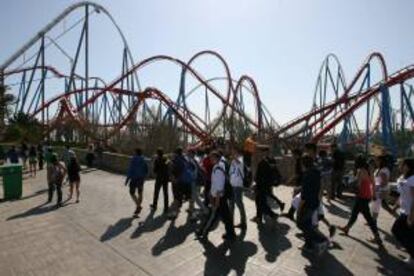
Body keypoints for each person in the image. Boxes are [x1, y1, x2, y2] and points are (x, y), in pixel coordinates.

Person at [338, 155, 383, 247]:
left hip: (361, 195)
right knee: (354, 212)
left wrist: (349, 183)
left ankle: (377, 236)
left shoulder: (360, 171)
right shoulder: (370, 170)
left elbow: (357, 185)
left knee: (368, 218)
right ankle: (347, 228)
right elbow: (373, 183)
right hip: (367, 195)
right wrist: (373, 194)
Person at [196, 151, 236, 242]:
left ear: (217, 158)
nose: (210, 159)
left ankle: (203, 231)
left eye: (212, 158)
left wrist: (216, 200)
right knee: (225, 216)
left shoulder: (217, 168)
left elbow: (218, 186)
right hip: (221, 197)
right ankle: (231, 233)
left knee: (213, 215)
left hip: (219, 198)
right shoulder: (221, 165)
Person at [296, 154, 329, 255]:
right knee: (308, 224)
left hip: (307, 204)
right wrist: (319, 199)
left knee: (301, 224)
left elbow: (304, 196)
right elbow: (320, 187)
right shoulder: (317, 172)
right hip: (315, 202)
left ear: (303, 164)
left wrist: (299, 209)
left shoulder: (307, 175)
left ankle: (322, 239)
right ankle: (308, 245)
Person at [391, 158, 414, 268]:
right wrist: (395, 206)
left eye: (402, 164)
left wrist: (411, 216)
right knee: (407, 234)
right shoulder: (403, 178)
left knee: (396, 230)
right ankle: (411, 256)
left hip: (410, 213)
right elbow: (402, 195)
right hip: (405, 211)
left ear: (407, 167)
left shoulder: (412, 180)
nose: (399, 165)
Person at [251, 146, 281, 224]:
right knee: (259, 201)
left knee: (261, 202)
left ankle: (272, 215)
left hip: (262, 186)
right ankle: (259, 217)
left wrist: (256, 184)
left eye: (260, 152)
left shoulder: (263, 162)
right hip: (265, 185)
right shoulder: (268, 161)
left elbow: (260, 177)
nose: (259, 153)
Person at [167, 147, 192, 220]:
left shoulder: (175, 160)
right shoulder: (185, 159)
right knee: (188, 197)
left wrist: (174, 178)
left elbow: (174, 170)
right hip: (186, 181)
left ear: (176, 153)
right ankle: (192, 212)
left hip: (178, 182)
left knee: (176, 197)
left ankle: (175, 213)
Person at [125, 148, 148, 217]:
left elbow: (130, 169)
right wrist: (144, 177)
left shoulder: (133, 159)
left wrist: (127, 179)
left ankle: (138, 206)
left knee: (132, 193)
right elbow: (146, 169)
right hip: (141, 179)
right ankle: (138, 208)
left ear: (136, 152)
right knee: (140, 193)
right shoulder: (144, 160)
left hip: (134, 178)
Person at [229, 148, 247, 229]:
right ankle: (230, 223)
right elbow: (230, 173)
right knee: (231, 205)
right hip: (232, 185)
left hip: (238, 186)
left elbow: (239, 163)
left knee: (239, 204)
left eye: (234, 153)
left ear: (238, 153)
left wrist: (234, 157)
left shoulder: (241, 160)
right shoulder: (233, 162)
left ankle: (243, 223)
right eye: (232, 153)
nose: (233, 154)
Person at [372, 153, 391, 222]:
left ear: (380, 161)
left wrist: (376, 187)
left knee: (376, 205)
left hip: (379, 190)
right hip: (378, 190)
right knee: (376, 205)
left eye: (376, 160)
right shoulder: (379, 169)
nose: (375, 162)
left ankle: (373, 220)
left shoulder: (383, 170)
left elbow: (384, 182)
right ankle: (373, 219)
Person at [150, 148, 169, 214]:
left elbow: (155, 170)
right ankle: (166, 207)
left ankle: (155, 205)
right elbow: (168, 165)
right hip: (166, 177)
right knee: (165, 192)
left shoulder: (157, 160)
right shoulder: (166, 159)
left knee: (156, 192)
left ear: (157, 154)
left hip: (159, 177)